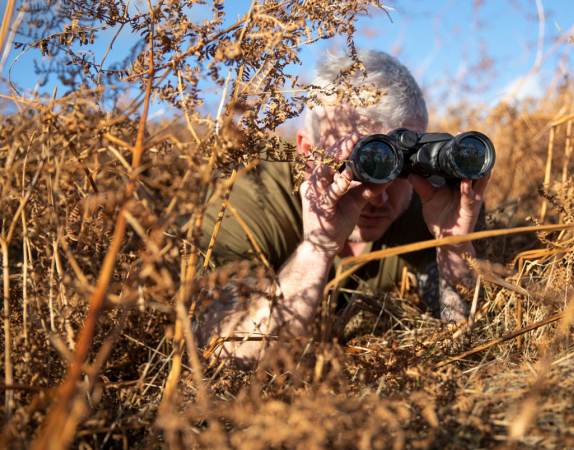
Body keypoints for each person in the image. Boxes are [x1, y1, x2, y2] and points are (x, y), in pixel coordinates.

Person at [197, 50, 490, 367]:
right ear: (309, 151)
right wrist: (316, 248)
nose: (378, 198)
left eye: (400, 170)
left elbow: (468, 339)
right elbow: (228, 354)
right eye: (360, 166)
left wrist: (453, 247)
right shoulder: (250, 200)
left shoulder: (438, 202)